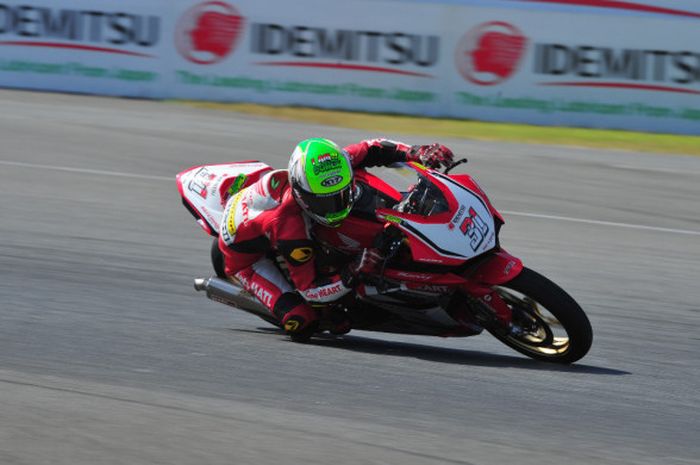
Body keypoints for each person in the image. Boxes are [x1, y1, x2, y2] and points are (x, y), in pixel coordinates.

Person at [218, 138, 454, 339]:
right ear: (302, 195)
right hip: (246, 259)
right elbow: (310, 290)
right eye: (325, 201)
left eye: (343, 193)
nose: (337, 206)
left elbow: (373, 147)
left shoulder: (335, 163)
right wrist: (352, 272)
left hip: (268, 205)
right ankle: (282, 304)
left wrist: (416, 151)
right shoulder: (290, 228)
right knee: (304, 322)